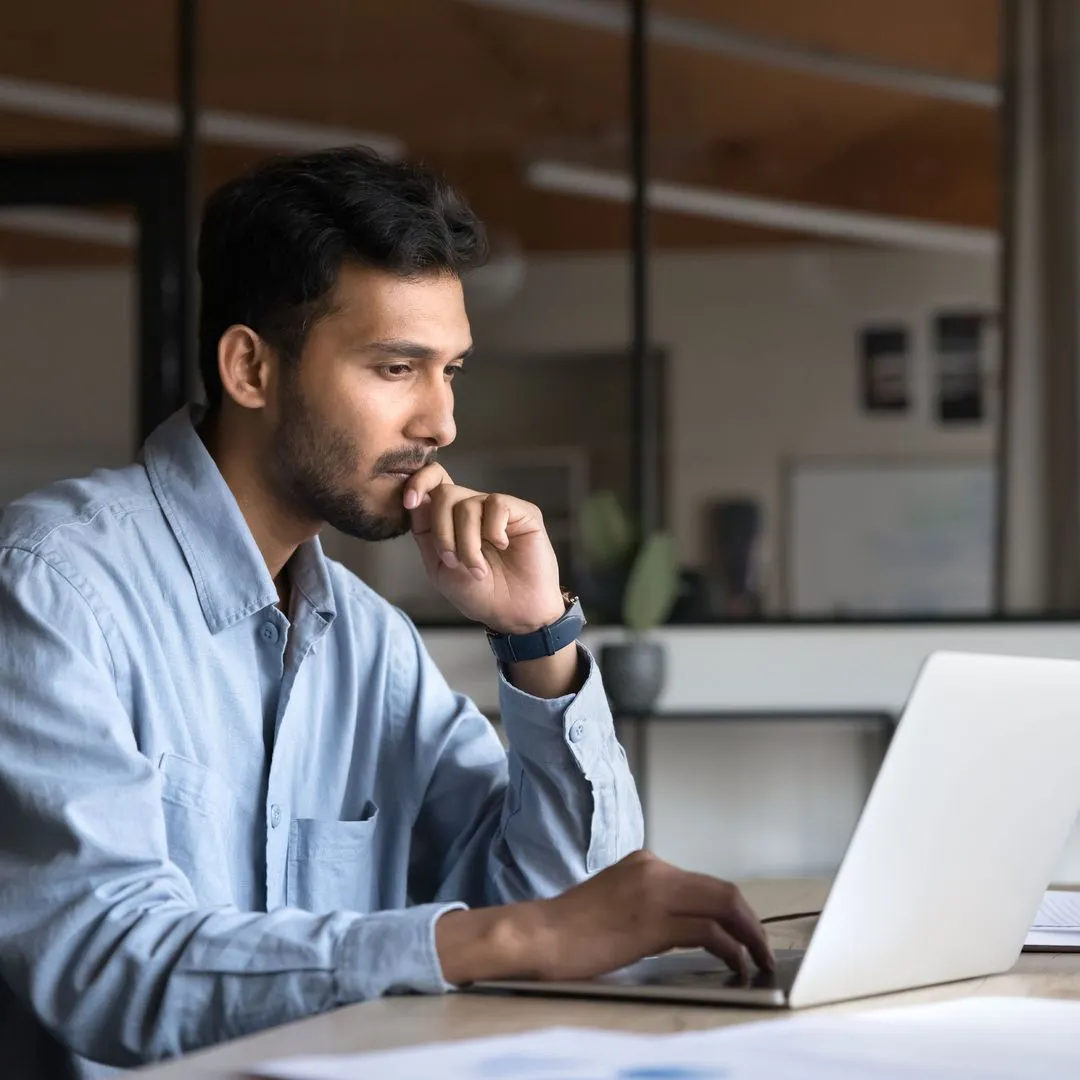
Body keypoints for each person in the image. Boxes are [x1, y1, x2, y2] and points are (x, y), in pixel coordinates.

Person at [0, 146, 772, 1079]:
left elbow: (574, 910)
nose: (440, 423)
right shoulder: (50, 586)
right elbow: (108, 962)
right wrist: (496, 940)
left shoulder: (370, 643)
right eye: (397, 367)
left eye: (452, 371)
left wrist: (538, 640)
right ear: (250, 367)